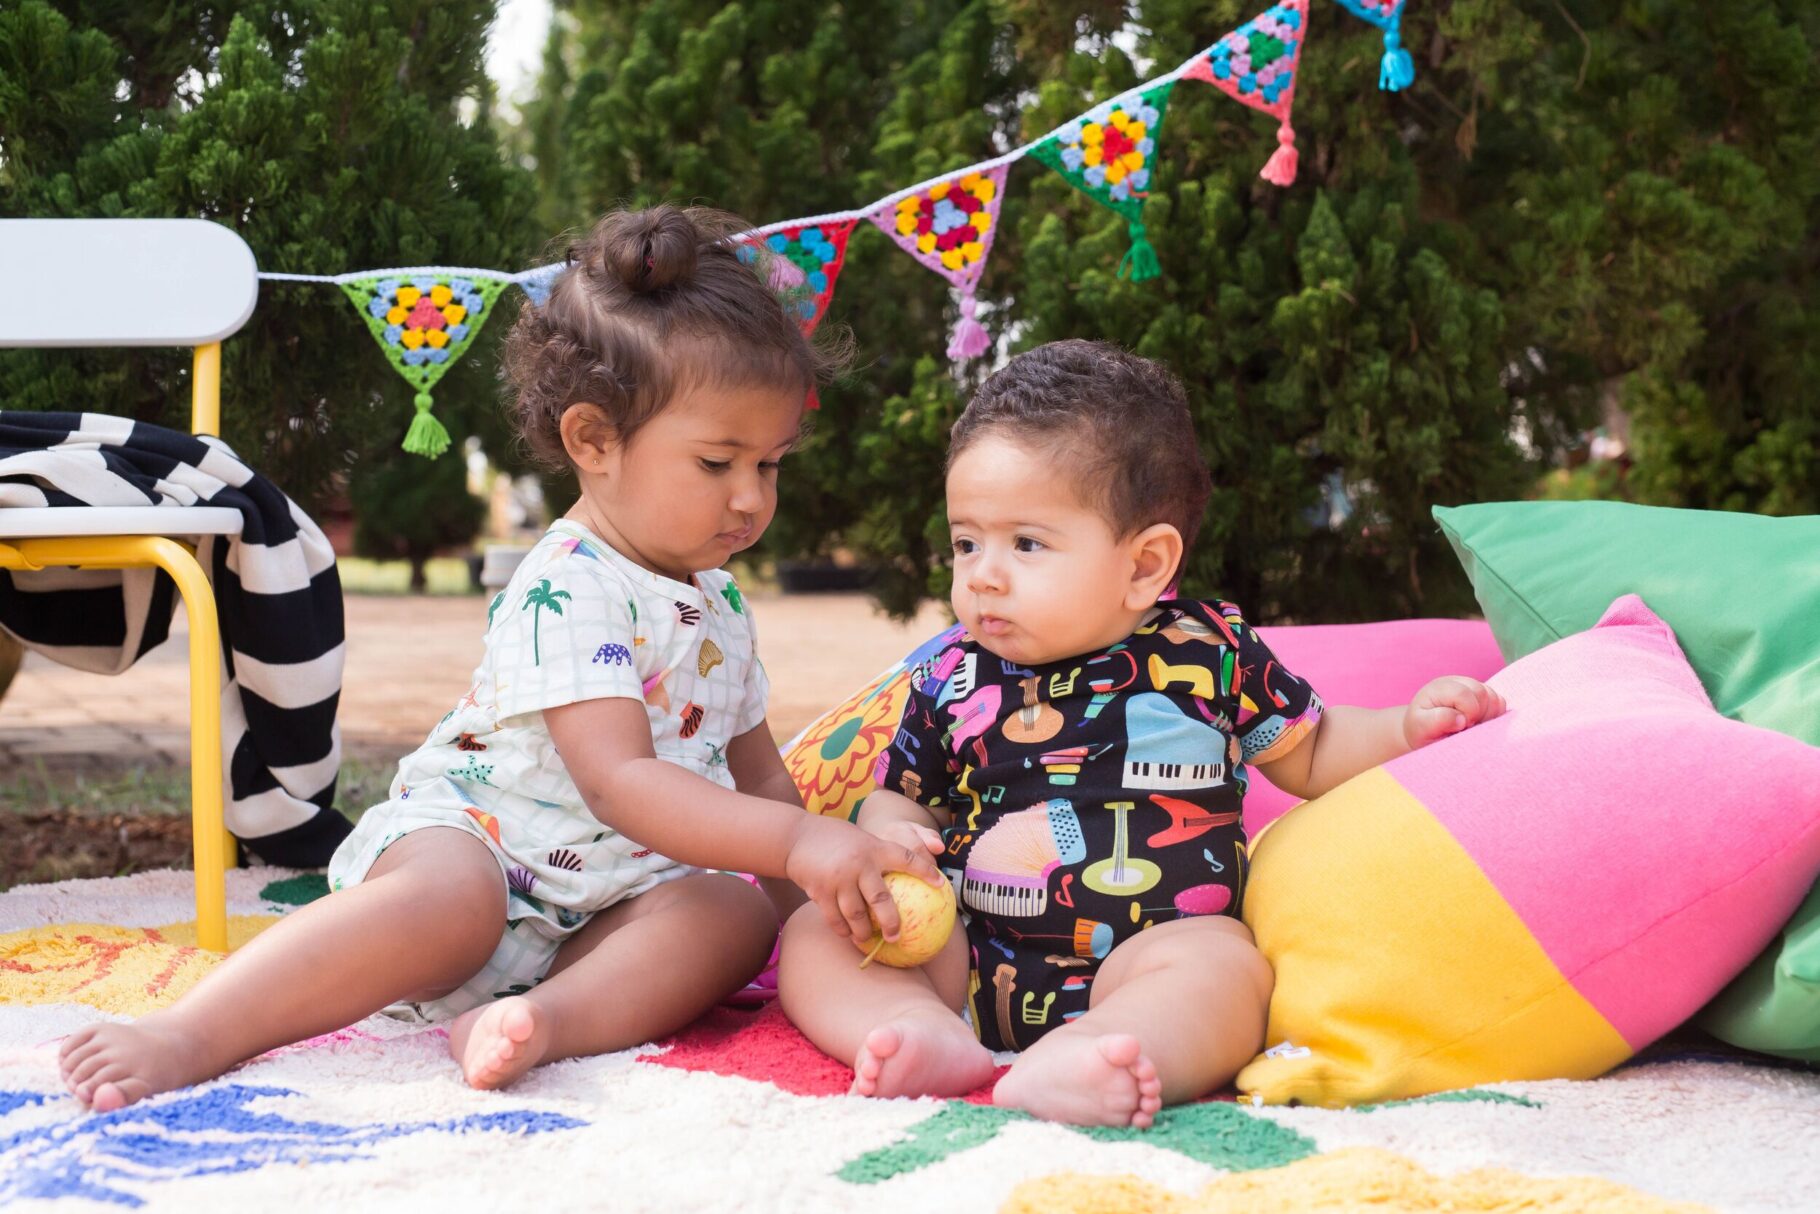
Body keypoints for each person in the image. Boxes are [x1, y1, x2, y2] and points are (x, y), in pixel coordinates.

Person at [58, 206, 942, 1112]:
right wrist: (802, 844)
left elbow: (758, 782)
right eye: (718, 462)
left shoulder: (719, 603)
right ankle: (192, 1031)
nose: (752, 498)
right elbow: (619, 782)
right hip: (477, 847)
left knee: (729, 915)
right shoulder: (569, 583)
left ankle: (544, 1021)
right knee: (454, 899)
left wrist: (817, 912)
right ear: (593, 441)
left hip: (605, 909)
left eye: (772, 464)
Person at [779, 340, 1506, 1128]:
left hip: (1149, 955)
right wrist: (898, 841)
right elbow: (901, 795)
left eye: (1026, 543)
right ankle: (912, 1028)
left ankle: (1101, 1050)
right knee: (815, 932)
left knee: (1230, 969)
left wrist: (1407, 727)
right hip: (971, 956)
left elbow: (1315, 751)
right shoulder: (951, 674)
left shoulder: (1208, 651)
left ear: (1144, 565)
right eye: (965, 542)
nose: (982, 574)